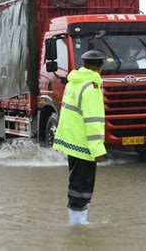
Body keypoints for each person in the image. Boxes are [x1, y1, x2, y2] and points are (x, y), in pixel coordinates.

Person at [53, 49, 107, 226]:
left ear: (83, 65)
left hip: (71, 142)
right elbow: (93, 121)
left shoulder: (73, 83)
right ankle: (78, 227)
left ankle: (77, 223)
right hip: (84, 145)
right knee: (82, 185)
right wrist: (98, 149)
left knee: (75, 182)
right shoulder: (91, 88)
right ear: (99, 67)